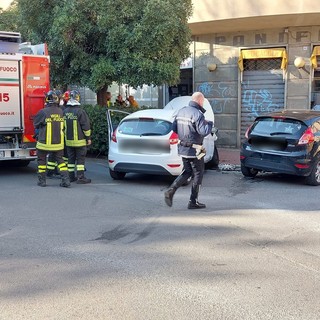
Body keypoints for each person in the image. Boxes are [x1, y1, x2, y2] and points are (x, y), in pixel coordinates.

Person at [164, 92, 213, 209]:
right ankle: (193, 201)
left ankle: (171, 190)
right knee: (198, 174)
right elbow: (203, 131)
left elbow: (174, 128)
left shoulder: (181, 111)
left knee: (187, 171)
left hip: (183, 148)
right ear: (200, 101)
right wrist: (210, 124)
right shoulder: (198, 114)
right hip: (195, 150)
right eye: (203, 102)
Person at [33, 90, 70, 188]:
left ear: (47, 100)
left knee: (41, 162)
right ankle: (66, 181)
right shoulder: (61, 112)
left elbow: (36, 124)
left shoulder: (43, 112)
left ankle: (42, 181)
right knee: (61, 162)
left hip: (43, 144)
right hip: (58, 143)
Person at [64, 90, 92, 184]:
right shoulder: (80, 112)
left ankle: (70, 177)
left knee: (70, 159)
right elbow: (86, 127)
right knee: (80, 159)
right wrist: (88, 138)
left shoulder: (65, 112)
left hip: (68, 141)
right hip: (80, 142)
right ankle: (81, 177)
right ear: (78, 98)